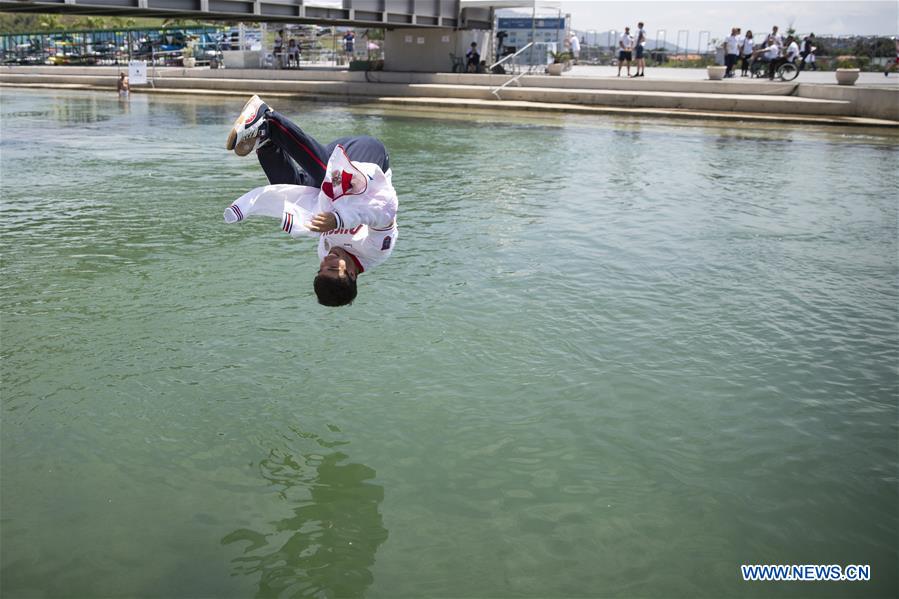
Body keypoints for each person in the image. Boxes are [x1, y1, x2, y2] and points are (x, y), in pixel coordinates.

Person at [224, 96, 398, 307]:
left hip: (332, 167)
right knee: (331, 179)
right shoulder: (375, 251)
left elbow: (312, 204)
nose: (327, 260)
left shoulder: (325, 252)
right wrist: (338, 220)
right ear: (352, 274)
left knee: (293, 190)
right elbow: (387, 208)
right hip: (370, 160)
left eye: (321, 268)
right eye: (333, 268)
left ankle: (265, 141)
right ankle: (268, 120)